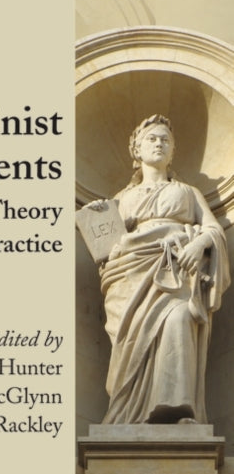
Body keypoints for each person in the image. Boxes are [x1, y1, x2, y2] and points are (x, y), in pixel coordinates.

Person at [86, 114, 230, 424]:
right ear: (136, 150)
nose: (159, 144)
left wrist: (199, 244)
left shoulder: (188, 192)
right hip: (130, 277)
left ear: (173, 151)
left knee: (179, 320)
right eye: (151, 139)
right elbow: (107, 252)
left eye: (166, 140)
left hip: (175, 271)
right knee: (130, 342)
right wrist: (96, 218)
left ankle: (178, 409)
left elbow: (214, 229)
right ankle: (127, 414)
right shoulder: (121, 199)